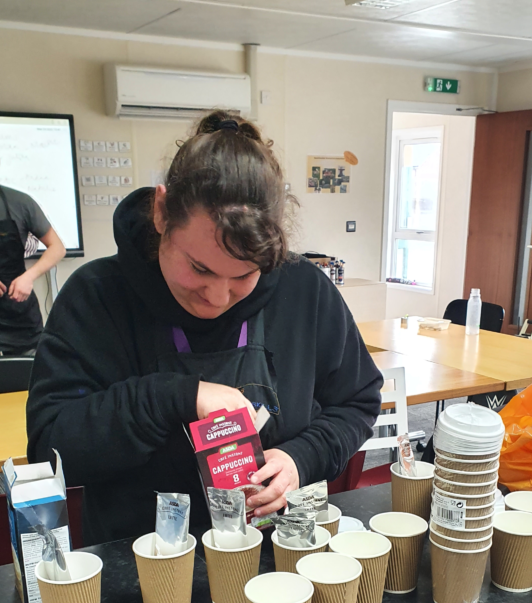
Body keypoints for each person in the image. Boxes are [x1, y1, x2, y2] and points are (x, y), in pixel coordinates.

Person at [27, 112, 383, 545]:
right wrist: (173, 396)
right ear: (161, 213)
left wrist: (299, 458)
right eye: (199, 268)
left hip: (275, 557)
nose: (216, 298)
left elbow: (357, 401)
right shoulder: (96, 296)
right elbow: (50, 451)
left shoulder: (303, 289)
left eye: (244, 276)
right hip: (143, 567)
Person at [0, 185, 66, 356]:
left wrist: (29, 277)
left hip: (19, 316)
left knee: (27, 377)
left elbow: (57, 248)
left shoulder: (20, 202)